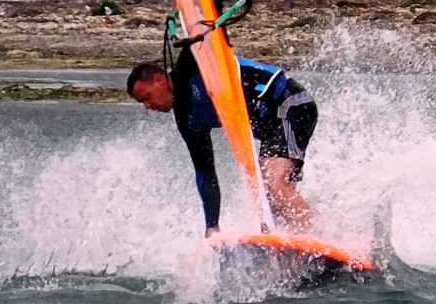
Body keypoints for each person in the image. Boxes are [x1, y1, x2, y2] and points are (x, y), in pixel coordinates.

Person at [127, 48, 317, 238]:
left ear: (160, 80)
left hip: (287, 100)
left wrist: (194, 33)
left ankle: (312, 237)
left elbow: (204, 37)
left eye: (147, 98)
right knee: (269, 199)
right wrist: (212, 226)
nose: (148, 106)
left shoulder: (190, 66)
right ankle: (296, 242)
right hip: (268, 124)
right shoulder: (187, 120)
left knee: (273, 184)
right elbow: (205, 171)